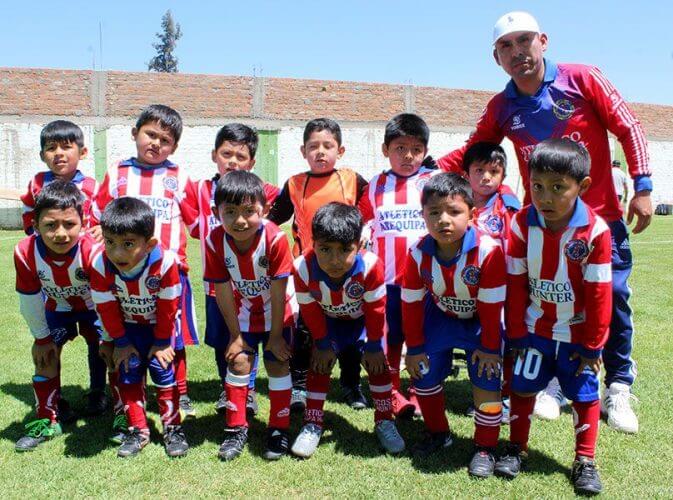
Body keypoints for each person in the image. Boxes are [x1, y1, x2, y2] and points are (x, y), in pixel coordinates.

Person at [437, 11, 651, 433]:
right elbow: (471, 153)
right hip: (543, 226)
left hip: (602, 221)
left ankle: (620, 385)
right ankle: (554, 381)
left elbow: (629, 127)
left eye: (524, 41)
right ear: (496, 57)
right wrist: (419, 171)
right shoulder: (502, 106)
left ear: (544, 41)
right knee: (549, 301)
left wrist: (642, 185)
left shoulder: (584, 78)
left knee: (615, 301)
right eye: (506, 46)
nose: (518, 52)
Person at [496, 138, 611, 494]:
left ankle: (585, 460)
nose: (545, 197)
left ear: (583, 186)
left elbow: (599, 294)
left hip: (576, 335)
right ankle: (517, 447)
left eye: (558, 187)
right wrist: (515, 332)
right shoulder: (519, 224)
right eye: (538, 186)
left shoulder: (595, 232)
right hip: (534, 329)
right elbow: (514, 282)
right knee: (523, 386)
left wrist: (593, 346)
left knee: (584, 394)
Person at [92, 104, 199, 418]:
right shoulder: (117, 173)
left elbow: (195, 222)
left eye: (165, 140)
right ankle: (124, 395)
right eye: (150, 134)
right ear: (135, 133)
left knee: (173, 339)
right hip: (122, 274)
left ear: (174, 147)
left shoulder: (180, 177)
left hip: (168, 273)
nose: (156, 143)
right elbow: (97, 217)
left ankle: (180, 393)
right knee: (122, 332)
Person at [401, 173, 506, 477]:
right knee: (423, 373)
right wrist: (415, 348)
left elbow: (490, 308)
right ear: (423, 215)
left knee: (486, 381)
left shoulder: (488, 251)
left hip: (480, 323)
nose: (443, 220)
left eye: (454, 212)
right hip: (441, 318)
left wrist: (489, 348)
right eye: (434, 213)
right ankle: (438, 432)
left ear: (472, 215)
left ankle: (485, 447)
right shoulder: (418, 253)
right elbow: (410, 305)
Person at [268, 118, 369, 412]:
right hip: (307, 271)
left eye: (328, 146)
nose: (320, 152)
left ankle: (351, 385)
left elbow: (370, 212)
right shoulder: (295, 183)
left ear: (341, 150)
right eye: (313, 146)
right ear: (303, 151)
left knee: (350, 330)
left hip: (348, 269)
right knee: (305, 330)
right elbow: (274, 219)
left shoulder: (353, 180)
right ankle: (299, 385)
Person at [290, 202, 405, 459]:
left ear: (358, 245)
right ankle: (313, 423)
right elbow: (309, 310)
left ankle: (384, 420)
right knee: (319, 365)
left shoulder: (372, 266)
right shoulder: (302, 267)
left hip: (363, 323)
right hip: (328, 322)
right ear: (313, 243)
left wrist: (374, 346)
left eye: (345, 250)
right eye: (325, 249)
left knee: (378, 366)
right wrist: (321, 342)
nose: (334, 260)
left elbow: (376, 311)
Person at [182, 123, 280, 417]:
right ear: (214, 155)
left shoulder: (262, 191)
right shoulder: (200, 190)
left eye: (241, 156)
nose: (233, 162)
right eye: (226, 154)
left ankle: (246, 391)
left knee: (250, 337)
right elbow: (195, 228)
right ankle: (229, 388)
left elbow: (285, 198)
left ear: (251, 162)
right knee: (222, 340)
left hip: (252, 287)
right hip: (217, 285)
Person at [203, 171, 294, 461]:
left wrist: (277, 336)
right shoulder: (214, 240)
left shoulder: (276, 238)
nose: (240, 220)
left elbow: (279, 290)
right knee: (240, 361)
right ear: (217, 212)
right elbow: (223, 290)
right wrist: (235, 336)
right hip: (242, 313)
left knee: (276, 362)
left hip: (277, 312)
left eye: (248, 211)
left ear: (264, 210)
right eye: (229, 212)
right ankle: (236, 428)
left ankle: (279, 429)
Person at [19, 122, 108, 416]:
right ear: (43, 154)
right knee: (46, 348)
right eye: (51, 148)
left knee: (101, 346)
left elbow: (107, 220)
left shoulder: (93, 187)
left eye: (66, 146)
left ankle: (98, 392)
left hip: (91, 294)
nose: (59, 154)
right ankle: (51, 406)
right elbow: (29, 219)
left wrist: (101, 233)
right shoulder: (36, 184)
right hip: (56, 298)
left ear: (82, 152)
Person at [89, 197, 189, 458]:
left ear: (149, 244)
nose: (117, 252)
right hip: (128, 329)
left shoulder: (166, 263)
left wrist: (162, 342)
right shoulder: (99, 265)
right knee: (128, 369)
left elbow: (169, 307)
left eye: (128, 244)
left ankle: (172, 427)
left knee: (162, 368)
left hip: (161, 328)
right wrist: (120, 342)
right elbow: (107, 309)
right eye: (110, 242)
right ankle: (138, 429)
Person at [13, 182, 106, 451]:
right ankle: (47, 418)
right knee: (45, 355)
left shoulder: (93, 251)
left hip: (94, 309)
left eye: (69, 224)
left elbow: (107, 300)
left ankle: (110, 403)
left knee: (107, 349)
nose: (60, 233)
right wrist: (41, 338)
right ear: (35, 223)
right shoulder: (25, 251)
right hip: (58, 308)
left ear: (84, 222)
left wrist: (112, 337)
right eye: (51, 225)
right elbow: (29, 300)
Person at [358, 113, 439, 418]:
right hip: (386, 282)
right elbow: (365, 220)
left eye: (416, 149)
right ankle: (389, 391)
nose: (408, 156)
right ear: (385, 150)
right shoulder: (376, 184)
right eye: (400, 148)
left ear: (425, 151)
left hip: (424, 282)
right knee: (389, 339)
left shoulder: (433, 182)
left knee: (422, 339)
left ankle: (420, 392)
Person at [462, 142, 520, 421]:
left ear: (503, 177)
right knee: (477, 340)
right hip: (466, 289)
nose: (486, 177)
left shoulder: (506, 207)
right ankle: (482, 392)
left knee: (502, 340)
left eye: (493, 171)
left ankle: (505, 396)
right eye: (479, 170)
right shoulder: (459, 205)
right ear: (467, 174)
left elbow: (514, 247)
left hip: (501, 289)